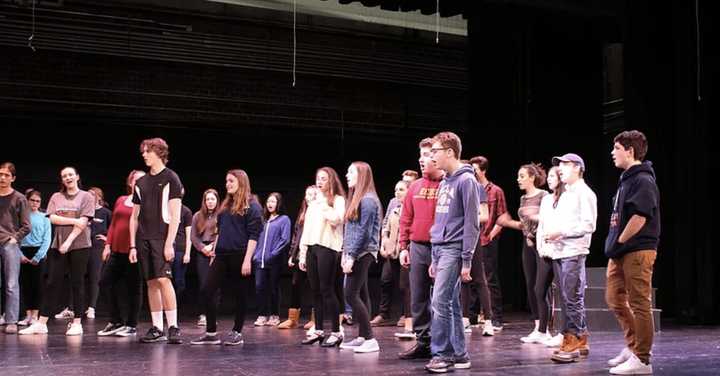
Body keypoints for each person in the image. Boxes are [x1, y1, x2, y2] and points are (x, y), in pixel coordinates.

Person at [423, 132, 481, 373]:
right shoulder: (446, 181)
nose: (431, 156)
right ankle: (459, 354)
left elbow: (472, 223)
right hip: (441, 247)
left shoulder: (467, 181)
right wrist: (435, 253)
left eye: (435, 151)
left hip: (455, 247)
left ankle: (443, 354)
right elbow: (441, 218)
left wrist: (466, 258)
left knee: (440, 301)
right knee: (451, 303)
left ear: (449, 152)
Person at [604, 130, 660, 375]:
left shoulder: (643, 180)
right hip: (621, 251)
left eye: (616, 148)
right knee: (614, 298)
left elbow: (640, 216)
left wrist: (620, 241)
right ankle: (633, 345)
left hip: (637, 250)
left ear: (630, 151)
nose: (612, 153)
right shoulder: (626, 179)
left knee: (639, 303)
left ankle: (643, 359)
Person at [190, 170, 262, 346]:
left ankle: (237, 332)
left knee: (240, 295)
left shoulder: (252, 206)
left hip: (240, 255)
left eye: (231, 181)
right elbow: (221, 232)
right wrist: (214, 253)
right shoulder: (225, 206)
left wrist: (247, 260)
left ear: (241, 182)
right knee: (207, 290)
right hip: (221, 254)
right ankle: (211, 332)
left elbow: (254, 235)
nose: (227, 184)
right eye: (226, 181)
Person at [20, 166, 94, 336]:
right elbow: (52, 218)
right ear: (62, 180)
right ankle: (42, 323)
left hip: (79, 245)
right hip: (57, 245)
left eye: (70, 175)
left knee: (77, 283)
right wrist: (73, 220)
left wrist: (68, 242)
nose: (67, 178)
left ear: (76, 176)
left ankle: (77, 323)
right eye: (64, 176)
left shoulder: (86, 197)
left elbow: (83, 223)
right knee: (52, 282)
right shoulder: (56, 196)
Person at [129, 138, 184, 344]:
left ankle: (173, 326)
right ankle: (157, 327)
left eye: (147, 151)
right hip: (143, 239)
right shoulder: (140, 183)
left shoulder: (171, 178)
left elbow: (175, 215)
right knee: (151, 282)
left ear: (159, 152)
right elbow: (134, 216)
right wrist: (133, 245)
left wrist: (170, 243)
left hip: (162, 238)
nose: (144, 155)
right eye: (143, 151)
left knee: (163, 280)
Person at [546, 153, 597, 363]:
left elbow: (589, 225)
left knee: (572, 298)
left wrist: (562, 232)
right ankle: (581, 337)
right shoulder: (566, 193)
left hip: (573, 252)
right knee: (568, 298)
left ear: (577, 167)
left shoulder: (584, 193)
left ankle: (573, 339)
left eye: (565, 165)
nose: (560, 169)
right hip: (561, 251)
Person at [397, 138, 443, 360]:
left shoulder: (447, 184)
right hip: (417, 247)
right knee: (418, 297)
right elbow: (406, 218)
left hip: (441, 248)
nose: (421, 159)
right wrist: (404, 246)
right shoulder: (414, 187)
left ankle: (442, 344)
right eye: (420, 155)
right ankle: (423, 342)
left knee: (442, 299)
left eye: (425, 155)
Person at [498, 164, 551, 343]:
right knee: (530, 284)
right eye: (518, 176)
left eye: (522, 176)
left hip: (541, 243)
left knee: (540, 287)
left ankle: (546, 329)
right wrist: (512, 224)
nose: (518, 179)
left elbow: (547, 219)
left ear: (531, 177)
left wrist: (534, 234)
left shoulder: (544, 196)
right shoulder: (522, 199)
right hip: (526, 244)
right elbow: (524, 223)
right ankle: (537, 326)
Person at [298, 167, 346, 347]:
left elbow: (337, 219)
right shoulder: (313, 203)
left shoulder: (338, 200)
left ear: (331, 181)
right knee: (315, 290)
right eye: (318, 178)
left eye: (324, 179)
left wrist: (324, 203)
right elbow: (307, 229)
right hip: (311, 247)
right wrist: (303, 254)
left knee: (327, 290)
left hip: (328, 247)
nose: (320, 182)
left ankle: (336, 331)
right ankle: (318, 330)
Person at [338, 162, 383, 354]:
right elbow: (350, 229)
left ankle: (370, 339)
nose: (347, 175)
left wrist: (352, 256)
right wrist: (345, 252)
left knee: (350, 294)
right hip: (355, 251)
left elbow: (364, 232)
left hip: (363, 252)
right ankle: (363, 336)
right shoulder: (359, 198)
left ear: (362, 175)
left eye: (350, 172)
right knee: (361, 294)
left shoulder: (368, 200)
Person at [96, 170, 146, 337]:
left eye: (143, 180)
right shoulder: (121, 200)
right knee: (104, 282)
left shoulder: (147, 203)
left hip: (135, 251)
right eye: (136, 180)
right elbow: (113, 224)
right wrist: (107, 245)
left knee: (134, 288)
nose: (139, 183)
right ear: (130, 183)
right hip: (117, 250)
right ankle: (116, 320)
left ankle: (131, 325)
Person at [469, 156, 508, 330]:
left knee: (490, 279)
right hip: (472, 240)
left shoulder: (495, 191)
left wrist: (492, 234)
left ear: (483, 170)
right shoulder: (470, 188)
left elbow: (502, 215)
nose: (473, 173)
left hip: (488, 239)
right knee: (471, 279)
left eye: (475, 170)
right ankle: (473, 316)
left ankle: (496, 317)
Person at [535, 166, 566, 347]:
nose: (549, 179)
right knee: (540, 290)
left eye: (553, 176)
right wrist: (540, 245)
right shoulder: (546, 199)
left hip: (561, 251)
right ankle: (542, 331)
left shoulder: (567, 198)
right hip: (546, 250)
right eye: (549, 176)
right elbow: (543, 224)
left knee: (563, 293)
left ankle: (563, 332)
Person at [278, 186, 317, 330]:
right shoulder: (303, 213)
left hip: (313, 254)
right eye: (307, 194)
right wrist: (292, 255)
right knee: (295, 285)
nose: (308, 197)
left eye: (312, 194)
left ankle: (315, 319)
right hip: (300, 254)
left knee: (315, 287)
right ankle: (292, 319)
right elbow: (296, 235)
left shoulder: (320, 212)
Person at [0, 162, 31, 334]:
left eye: (6, 175)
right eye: (0, 174)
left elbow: (27, 226)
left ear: (13, 178)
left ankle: (11, 320)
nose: (2, 178)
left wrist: (15, 239)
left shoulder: (19, 198)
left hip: (9, 244)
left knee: (11, 283)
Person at [253, 192, 291, 327]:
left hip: (274, 260)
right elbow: (255, 237)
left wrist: (273, 254)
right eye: (268, 201)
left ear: (278, 203)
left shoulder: (284, 219)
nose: (270, 204)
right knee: (259, 287)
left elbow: (285, 239)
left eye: (273, 202)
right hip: (259, 260)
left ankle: (275, 315)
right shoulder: (263, 220)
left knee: (273, 288)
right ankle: (262, 315)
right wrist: (255, 255)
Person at [18, 189, 51, 327]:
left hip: (39, 252)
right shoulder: (21, 216)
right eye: (32, 200)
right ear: (27, 201)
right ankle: (28, 315)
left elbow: (47, 239)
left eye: (38, 201)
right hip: (23, 251)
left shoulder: (45, 217)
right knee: (26, 284)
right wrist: (20, 255)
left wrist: (38, 256)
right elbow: (16, 236)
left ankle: (36, 316)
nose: (35, 203)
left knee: (37, 285)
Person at [190, 189, 219, 327]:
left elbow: (223, 234)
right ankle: (203, 314)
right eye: (208, 199)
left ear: (217, 200)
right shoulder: (197, 216)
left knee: (215, 285)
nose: (210, 202)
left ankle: (212, 315)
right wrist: (203, 248)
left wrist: (213, 247)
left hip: (216, 251)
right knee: (203, 285)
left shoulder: (221, 215)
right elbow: (193, 237)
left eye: (212, 199)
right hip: (202, 252)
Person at [85, 187, 112, 319]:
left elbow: (114, 229)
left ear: (99, 197)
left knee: (95, 277)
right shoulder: (84, 212)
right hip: (83, 246)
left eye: (92, 195)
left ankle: (91, 307)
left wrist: (107, 240)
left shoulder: (105, 212)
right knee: (77, 277)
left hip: (97, 248)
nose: (89, 197)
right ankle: (72, 308)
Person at [171, 204, 193, 303]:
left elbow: (189, 234)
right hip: (165, 248)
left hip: (180, 249)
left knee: (179, 281)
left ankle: (176, 306)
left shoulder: (186, 211)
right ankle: (167, 308)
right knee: (166, 280)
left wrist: (187, 253)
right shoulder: (165, 209)